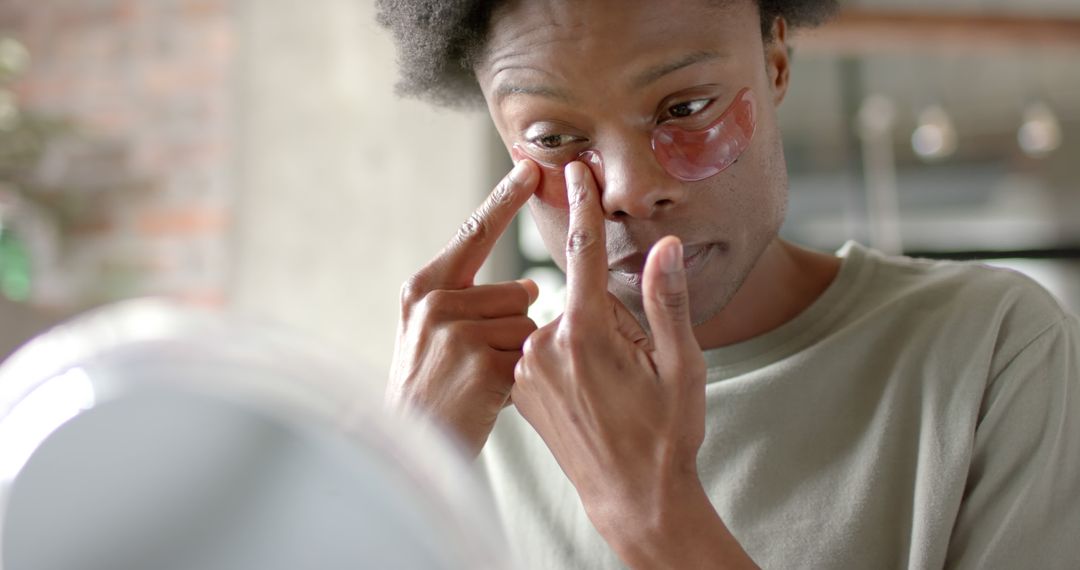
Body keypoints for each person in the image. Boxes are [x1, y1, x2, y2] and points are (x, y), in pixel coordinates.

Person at [376, 1, 1080, 568]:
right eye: (554, 140)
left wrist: (654, 517)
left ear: (775, 64)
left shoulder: (991, 351)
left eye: (686, 109)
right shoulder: (465, 418)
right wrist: (384, 476)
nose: (627, 190)